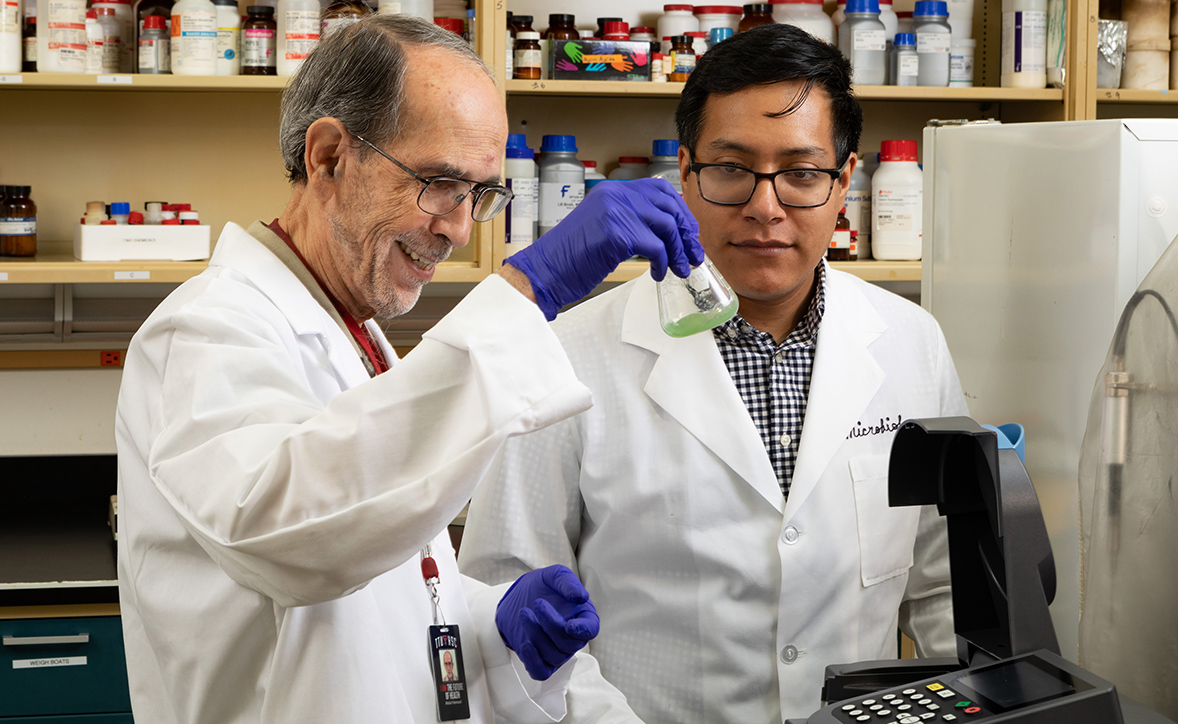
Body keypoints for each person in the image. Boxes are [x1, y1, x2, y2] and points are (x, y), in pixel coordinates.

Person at [115, 16, 701, 724]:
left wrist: (492, 628)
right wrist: (529, 289)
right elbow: (290, 539)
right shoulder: (206, 330)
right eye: (440, 183)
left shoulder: (354, 331)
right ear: (329, 157)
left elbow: (375, 603)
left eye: (479, 194)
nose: (458, 227)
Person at [459, 23, 969, 724]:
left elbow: (945, 590)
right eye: (732, 169)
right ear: (687, 176)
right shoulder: (569, 353)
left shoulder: (914, 344)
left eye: (801, 173)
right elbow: (505, 594)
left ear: (844, 183)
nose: (766, 207)